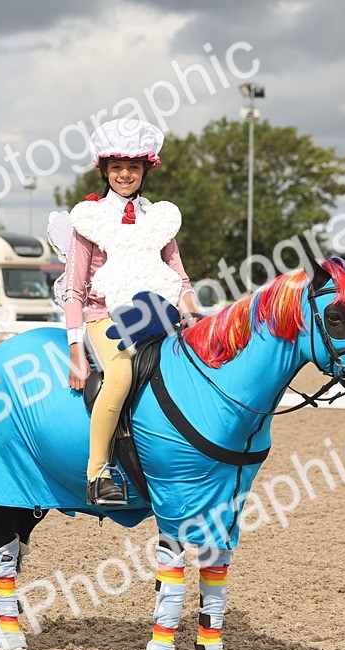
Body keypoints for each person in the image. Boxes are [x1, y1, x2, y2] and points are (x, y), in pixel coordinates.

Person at [61, 119, 201, 506]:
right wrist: (77, 356)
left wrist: (192, 314)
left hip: (155, 314)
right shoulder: (88, 220)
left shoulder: (159, 221)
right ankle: (98, 473)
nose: (125, 175)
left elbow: (181, 280)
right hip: (104, 317)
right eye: (117, 167)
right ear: (104, 171)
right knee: (121, 371)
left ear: (145, 171)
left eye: (134, 167)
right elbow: (73, 291)